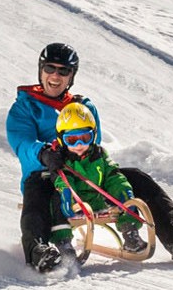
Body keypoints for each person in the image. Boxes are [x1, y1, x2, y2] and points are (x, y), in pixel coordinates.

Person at [7, 43, 173, 272]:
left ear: (71, 75)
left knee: (136, 177)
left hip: (84, 174)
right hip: (47, 174)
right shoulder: (24, 107)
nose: (55, 76)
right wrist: (44, 153)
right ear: (41, 70)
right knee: (36, 190)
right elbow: (22, 144)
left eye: (63, 71)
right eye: (50, 68)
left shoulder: (82, 105)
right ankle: (38, 251)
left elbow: (94, 143)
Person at [28, 102, 150, 264]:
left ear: (93, 135)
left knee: (123, 190)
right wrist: (68, 197)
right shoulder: (61, 160)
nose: (79, 145)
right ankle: (63, 242)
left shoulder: (99, 155)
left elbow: (112, 176)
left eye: (85, 138)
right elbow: (64, 181)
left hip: (96, 201)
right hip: (71, 204)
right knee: (56, 202)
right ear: (61, 140)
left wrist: (124, 192)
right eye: (71, 140)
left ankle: (130, 232)